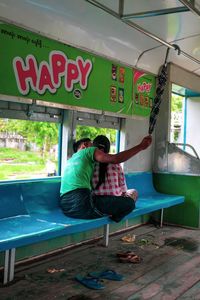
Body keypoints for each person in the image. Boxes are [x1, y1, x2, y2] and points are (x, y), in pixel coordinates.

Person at [60, 135, 152, 222]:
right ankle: (115, 217)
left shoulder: (70, 160)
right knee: (130, 204)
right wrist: (141, 146)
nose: (95, 148)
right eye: (92, 145)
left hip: (66, 208)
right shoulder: (88, 152)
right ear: (85, 145)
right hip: (83, 205)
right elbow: (115, 158)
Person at [92, 135, 138, 201]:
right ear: (108, 148)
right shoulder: (115, 163)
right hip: (115, 202)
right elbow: (123, 189)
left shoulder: (91, 164)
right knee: (134, 192)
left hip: (97, 203)